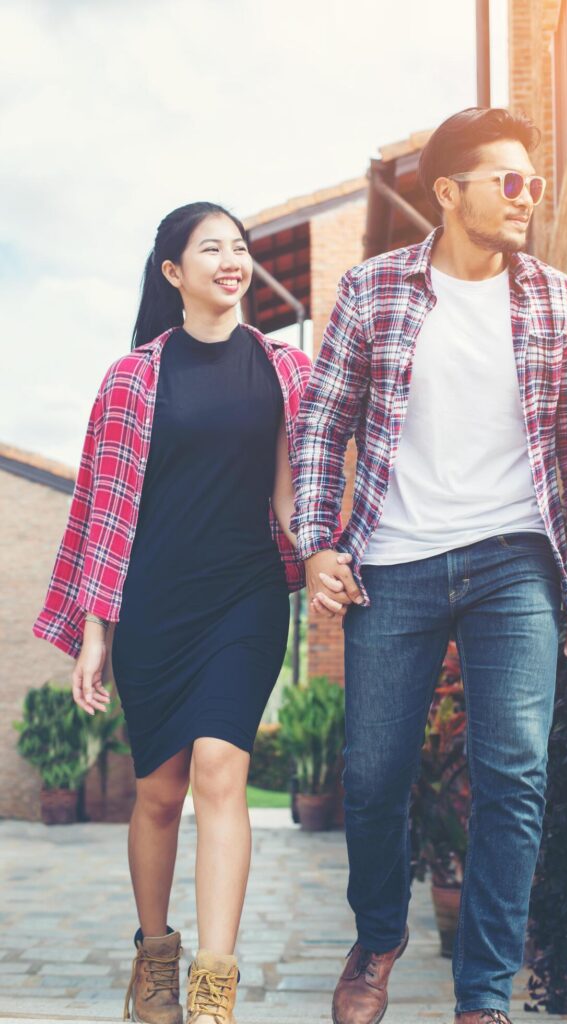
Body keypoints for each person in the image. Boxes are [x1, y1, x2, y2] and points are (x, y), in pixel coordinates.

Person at [291, 108, 567, 1024]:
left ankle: (482, 995)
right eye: (506, 182)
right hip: (390, 559)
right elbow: (322, 422)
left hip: (514, 555)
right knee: (371, 771)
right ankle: (378, 937)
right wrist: (320, 539)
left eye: (533, 182)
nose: (526, 198)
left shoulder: (557, 299)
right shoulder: (372, 290)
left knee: (513, 770)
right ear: (448, 192)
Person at [34, 201, 311, 1024]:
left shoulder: (284, 371)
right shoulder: (132, 378)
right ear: (172, 272)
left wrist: (327, 555)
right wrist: (93, 633)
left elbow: (293, 499)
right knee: (158, 792)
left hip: (246, 597)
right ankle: (155, 957)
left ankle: (214, 990)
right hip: (152, 603)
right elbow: (101, 509)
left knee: (223, 770)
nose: (233, 260)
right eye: (212, 248)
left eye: (240, 248)